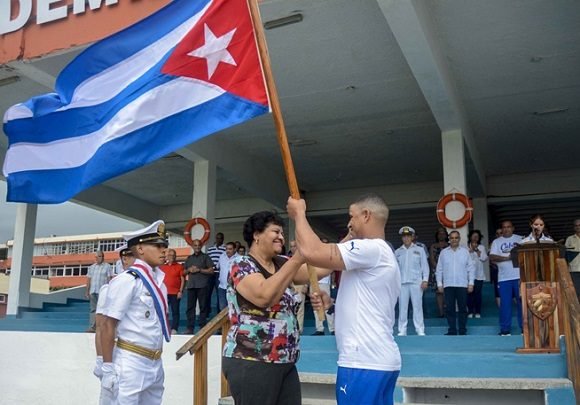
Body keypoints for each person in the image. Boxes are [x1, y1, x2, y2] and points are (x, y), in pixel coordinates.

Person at [287, 193, 401, 405]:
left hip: (364, 362)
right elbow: (303, 273)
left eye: (352, 216)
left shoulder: (371, 248)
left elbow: (312, 251)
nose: (349, 223)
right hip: (377, 360)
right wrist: (331, 306)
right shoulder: (375, 255)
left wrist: (299, 215)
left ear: (366, 215)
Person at [222, 211, 319, 405]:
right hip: (252, 360)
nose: (281, 237)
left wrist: (350, 243)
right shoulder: (241, 264)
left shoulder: (282, 263)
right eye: (276, 231)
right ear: (256, 235)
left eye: (282, 233)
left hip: (285, 360)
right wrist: (297, 259)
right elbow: (263, 296)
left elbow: (320, 267)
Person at [99, 220, 170, 404]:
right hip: (131, 360)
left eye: (165, 245)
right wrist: (106, 366)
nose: (164, 250)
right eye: (158, 245)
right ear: (140, 249)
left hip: (155, 361)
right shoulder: (127, 281)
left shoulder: (159, 283)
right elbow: (108, 324)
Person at [93, 246, 135, 385]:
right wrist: (102, 361)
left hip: (135, 357)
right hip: (115, 353)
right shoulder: (110, 288)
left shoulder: (144, 285)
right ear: (124, 260)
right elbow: (101, 327)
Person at [436, 230, 474, 335]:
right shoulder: (444, 253)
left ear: (459, 239)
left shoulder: (465, 252)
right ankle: (452, 329)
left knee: (462, 308)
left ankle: (462, 329)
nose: (454, 240)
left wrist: (471, 283)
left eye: (456, 238)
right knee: (449, 308)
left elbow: (470, 268)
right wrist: (439, 284)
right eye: (452, 238)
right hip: (448, 285)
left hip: (462, 284)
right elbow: (439, 269)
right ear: (449, 239)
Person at [489, 220, 523, 336]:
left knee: (522, 303)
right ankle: (505, 330)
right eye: (504, 227)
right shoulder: (497, 242)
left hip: (519, 277)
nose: (506, 229)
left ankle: (525, 329)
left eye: (509, 227)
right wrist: (507, 258)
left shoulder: (520, 239)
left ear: (513, 228)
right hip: (504, 278)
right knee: (505, 304)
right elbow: (492, 257)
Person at [395, 226, 429, 336]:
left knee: (417, 307)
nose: (406, 238)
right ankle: (402, 330)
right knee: (402, 308)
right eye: (404, 236)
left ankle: (420, 329)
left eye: (408, 236)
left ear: (412, 237)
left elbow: (425, 266)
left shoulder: (419, 250)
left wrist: (425, 280)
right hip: (402, 283)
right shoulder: (397, 252)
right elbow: (395, 270)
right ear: (402, 238)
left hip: (416, 283)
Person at [184, 239, 215, 334]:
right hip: (191, 285)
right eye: (195, 245)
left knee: (203, 307)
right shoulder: (189, 258)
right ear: (192, 246)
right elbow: (183, 272)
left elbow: (211, 271)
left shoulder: (206, 257)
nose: (197, 247)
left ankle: (202, 328)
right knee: (190, 308)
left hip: (202, 285)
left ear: (201, 246)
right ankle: (190, 328)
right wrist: (189, 269)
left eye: (198, 245)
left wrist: (199, 270)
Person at [86, 250, 113, 332]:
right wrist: (87, 291)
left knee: (103, 310)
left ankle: (102, 327)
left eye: (99, 256)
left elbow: (109, 279)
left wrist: (110, 291)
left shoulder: (107, 266)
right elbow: (88, 280)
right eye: (96, 257)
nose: (97, 258)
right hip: (93, 291)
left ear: (103, 257)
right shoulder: (92, 267)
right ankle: (92, 327)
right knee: (93, 310)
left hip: (102, 292)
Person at [160, 248, 185, 334]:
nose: (171, 257)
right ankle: (164, 327)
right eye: (170, 255)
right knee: (164, 311)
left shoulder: (179, 266)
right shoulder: (162, 267)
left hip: (175, 293)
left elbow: (182, 280)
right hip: (164, 293)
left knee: (175, 311)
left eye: (173, 255)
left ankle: (174, 328)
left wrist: (180, 291)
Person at [467, 230, 488, 318]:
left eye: (477, 236)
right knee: (469, 293)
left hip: (479, 275)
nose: (475, 238)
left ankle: (478, 311)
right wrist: (470, 251)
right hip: (468, 275)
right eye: (474, 236)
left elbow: (484, 258)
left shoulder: (481, 247)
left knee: (477, 293)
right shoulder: (465, 247)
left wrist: (478, 252)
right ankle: (470, 311)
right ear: (470, 237)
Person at [289, 239, 308, 334]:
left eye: (294, 246)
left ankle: (299, 329)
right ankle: (292, 327)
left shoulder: (304, 258)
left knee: (300, 308)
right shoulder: (288, 258)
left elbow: (308, 272)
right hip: (289, 284)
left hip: (300, 284)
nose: (293, 248)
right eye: (291, 246)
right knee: (290, 307)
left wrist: (306, 285)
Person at [429, 228, 449, 318]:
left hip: (449, 272)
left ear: (446, 235)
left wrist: (446, 270)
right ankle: (441, 312)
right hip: (436, 271)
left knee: (449, 292)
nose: (441, 235)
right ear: (437, 235)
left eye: (443, 233)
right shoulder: (433, 246)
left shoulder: (449, 245)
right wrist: (439, 270)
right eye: (439, 234)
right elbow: (432, 260)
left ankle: (448, 310)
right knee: (439, 292)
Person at [207, 232, 226, 316]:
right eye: (217, 238)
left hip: (219, 274)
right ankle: (207, 311)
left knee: (219, 294)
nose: (219, 239)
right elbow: (207, 260)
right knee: (207, 293)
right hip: (210, 274)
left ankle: (219, 313)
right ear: (215, 238)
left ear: (223, 239)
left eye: (221, 238)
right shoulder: (210, 249)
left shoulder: (225, 249)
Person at [217, 242, 238, 311]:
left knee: (233, 309)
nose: (227, 251)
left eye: (230, 249)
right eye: (226, 249)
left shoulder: (239, 258)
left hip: (234, 288)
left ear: (235, 249)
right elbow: (219, 268)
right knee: (222, 308)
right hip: (222, 287)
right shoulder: (222, 256)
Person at [565, 219, 580, 297]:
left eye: (579, 225)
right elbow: (566, 256)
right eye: (576, 225)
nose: (578, 227)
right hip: (574, 271)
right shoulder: (569, 239)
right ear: (574, 227)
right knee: (576, 293)